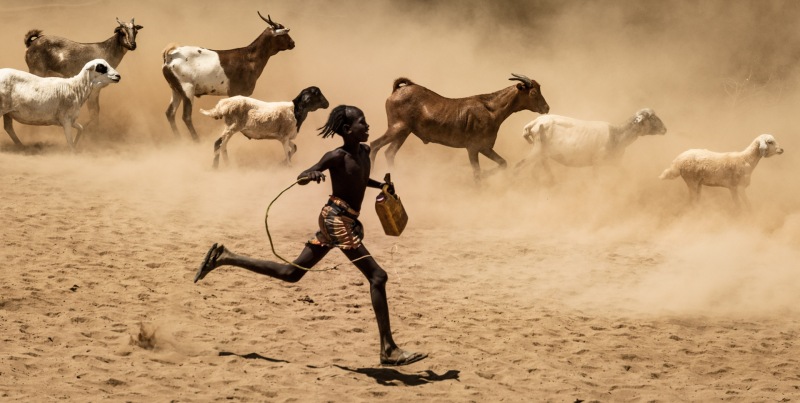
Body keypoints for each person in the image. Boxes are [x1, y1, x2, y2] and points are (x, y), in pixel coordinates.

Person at [194, 105, 427, 367]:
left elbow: (360, 179)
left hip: (344, 219)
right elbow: (303, 175)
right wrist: (311, 174)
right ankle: (388, 349)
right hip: (336, 220)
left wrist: (381, 186)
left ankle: (225, 257)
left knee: (291, 274)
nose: (368, 126)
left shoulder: (363, 151)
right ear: (348, 130)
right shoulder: (335, 156)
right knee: (378, 276)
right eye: (363, 122)